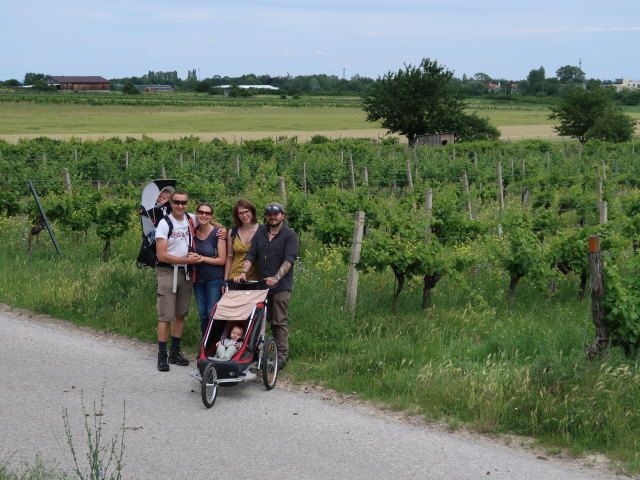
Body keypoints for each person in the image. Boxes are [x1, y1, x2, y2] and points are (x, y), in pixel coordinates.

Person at [234, 201, 299, 370]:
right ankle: (255, 352)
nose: (272, 217)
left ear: (282, 216)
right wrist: (243, 272)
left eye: (276, 214)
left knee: (278, 321)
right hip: (261, 285)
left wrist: (276, 278)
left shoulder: (289, 235)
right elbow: (251, 253)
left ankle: (282, 356)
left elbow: (289, 259)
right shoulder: (261, 232)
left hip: (280, 286)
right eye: (269, 214)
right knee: (257, 319)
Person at [154, 190, 203, 372]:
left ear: (187, 204)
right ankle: (162, 354)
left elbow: (208, 221)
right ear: (171, 204)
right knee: (166, 315)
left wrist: (221, 230)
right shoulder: (164, 223)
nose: (180, 206)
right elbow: (162, 254)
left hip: (186, 273)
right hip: (168, 271)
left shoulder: (191, 219)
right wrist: (187, 260)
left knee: (181, 314)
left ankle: (175, 351)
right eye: (176, 203)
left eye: (183, 203)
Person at [193, 202, 227, 337]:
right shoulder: (192, 230)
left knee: (211, 312)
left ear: (212, 216)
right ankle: (205, 345)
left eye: (207, 213)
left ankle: (215, 342)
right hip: (198, 279)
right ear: (196, 213)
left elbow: (222, 260)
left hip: (215, 278)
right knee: (202, 314)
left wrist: (202, 258)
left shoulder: (217, 233)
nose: (204, 215)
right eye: (201, 212)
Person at [224, 199, 261, 282]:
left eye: (247, 211)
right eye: (241, 213)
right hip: (234, 277)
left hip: (255, 278)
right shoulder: (232, 233)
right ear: (237, 215)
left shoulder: (262, 231)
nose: (244, 215)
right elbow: (230, 257)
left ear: (252, 211)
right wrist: (225, 280)